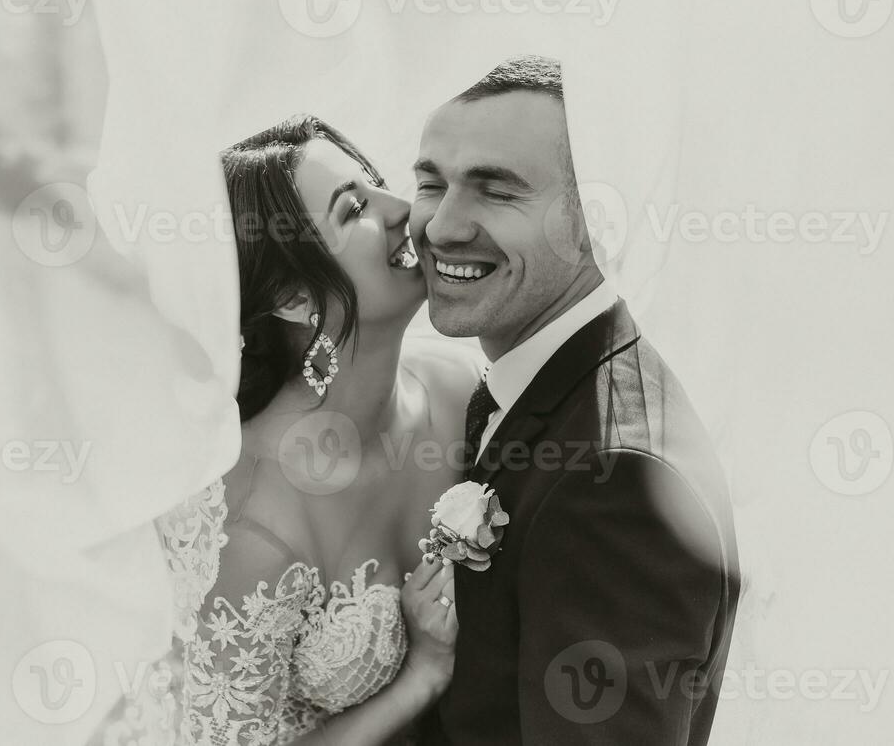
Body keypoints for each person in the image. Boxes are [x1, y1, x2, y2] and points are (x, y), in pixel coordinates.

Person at [94, 115, 483, 746]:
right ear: (296, 299)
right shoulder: (255, 528)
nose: (401, 211)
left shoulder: (460, 387)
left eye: (380, 186)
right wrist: (424, 674)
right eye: (353, 207)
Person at [411, 55, 741, 746]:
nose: (441, 226)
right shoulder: (541, 389)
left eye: (495, 191)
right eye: (431, 183)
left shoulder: (617, 479)